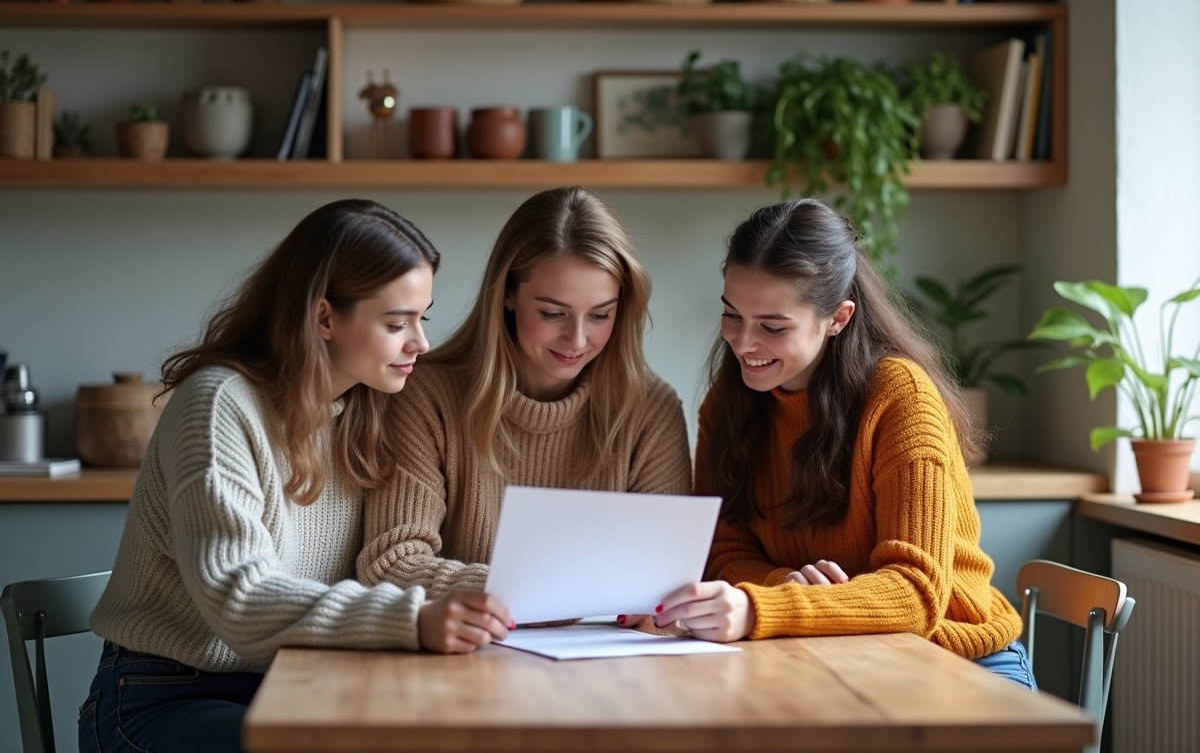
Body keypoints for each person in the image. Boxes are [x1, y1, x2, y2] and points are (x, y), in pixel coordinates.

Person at [82, 200, 514, 753]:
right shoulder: (218, 405)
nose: (420, 344)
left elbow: (393, 561)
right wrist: (414, 620)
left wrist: (521, 596)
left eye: (420, 318)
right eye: (396, 322)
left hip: (296, 683)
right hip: (164, 695)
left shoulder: (363, 413)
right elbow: (239, 597)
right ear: (325, 316)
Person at [653, 198, 1033, 689]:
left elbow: (917, 593)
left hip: (957, 656)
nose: (743, 343)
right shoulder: (729, 404)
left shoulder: (901, 399)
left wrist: (761, 607)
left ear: (837, 318)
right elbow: (725, 550)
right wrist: (788, 585)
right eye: (732, 315)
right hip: (828, 654)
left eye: (772, 326)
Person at [357, 186, 692, 611]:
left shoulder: (651, 410)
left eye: (600, 315)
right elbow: (390, 564)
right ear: (508, 296)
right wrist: (532, 591)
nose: (576, 339)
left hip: (604, 663)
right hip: (463, 659)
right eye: (553, 313)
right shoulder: (425, 397)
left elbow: (665, 579)